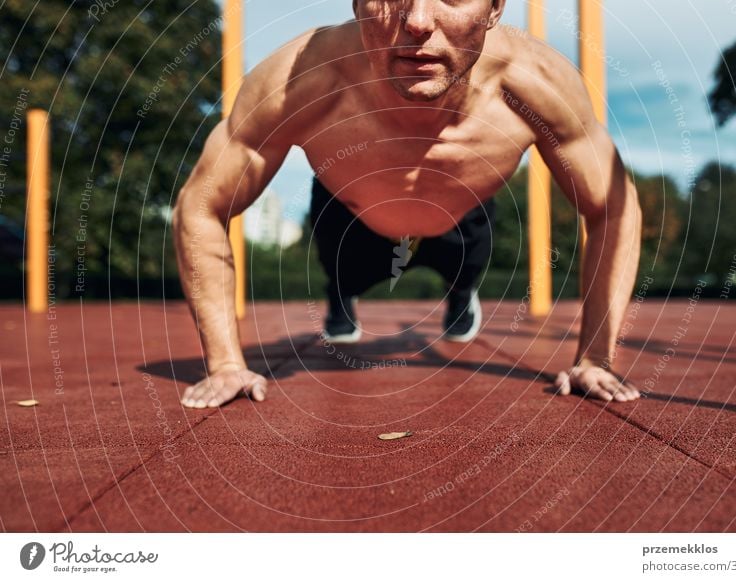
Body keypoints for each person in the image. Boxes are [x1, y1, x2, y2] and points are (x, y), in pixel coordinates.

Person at [172, 0, 643, 409]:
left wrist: (595, 358)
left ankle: (461, 293)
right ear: (357, 6)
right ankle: (342, 293)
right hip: (352, 219)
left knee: (470, 239)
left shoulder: (536, 83)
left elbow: (615, 206)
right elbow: (200, 207)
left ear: (495, 9)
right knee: (334, 216)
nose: (417, 21)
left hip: (461, 219)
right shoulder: (300, 79)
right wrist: (226, 364)